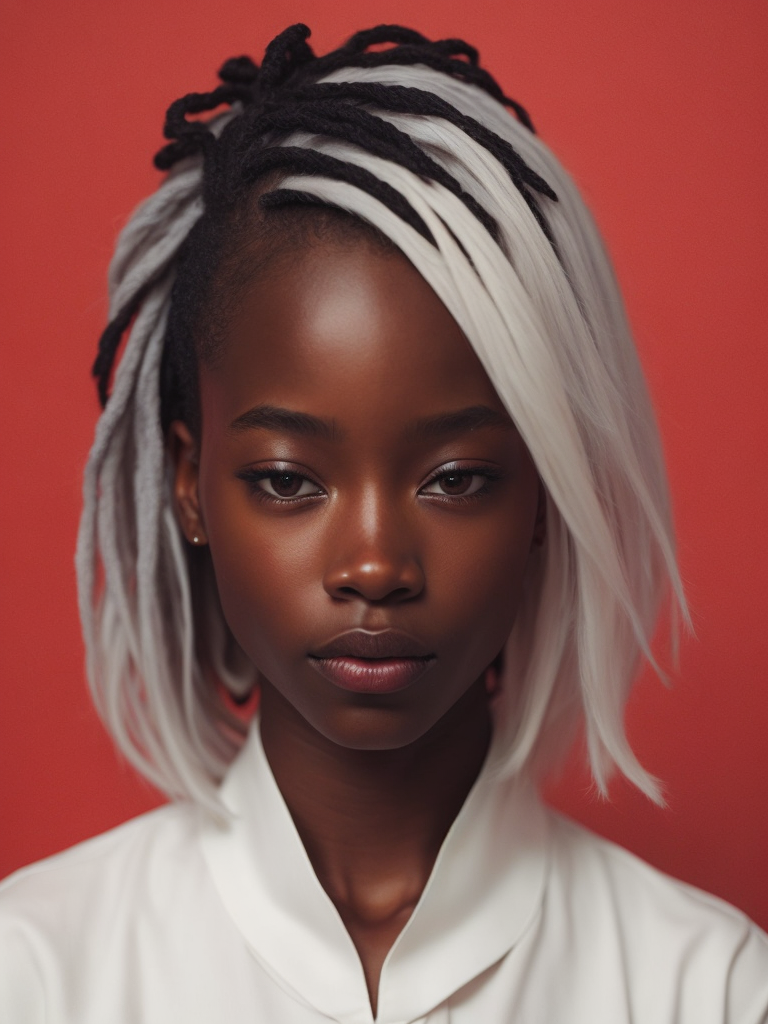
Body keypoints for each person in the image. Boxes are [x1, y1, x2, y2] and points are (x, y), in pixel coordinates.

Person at [0, 22, 766, 1024]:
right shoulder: (39, 974)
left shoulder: (707, 989)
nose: (373, 563)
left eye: (455, 478)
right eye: (286, 480)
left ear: (545, 490)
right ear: (191, 482)